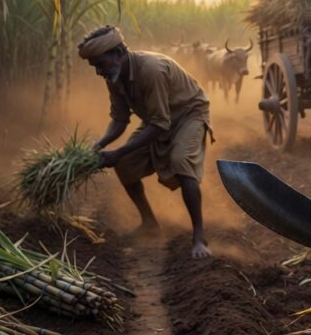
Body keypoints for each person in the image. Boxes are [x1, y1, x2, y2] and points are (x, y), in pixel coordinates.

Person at [78, 25, 213, 258]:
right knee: (126, 164)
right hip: (157, 118)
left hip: (188, 114)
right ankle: (149, 223)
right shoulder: (114, 77)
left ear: (118, 53)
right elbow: (120, 120)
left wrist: (117, 152)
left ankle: (199, 238)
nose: (98, 71)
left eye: (101, 64)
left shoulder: (152, 69)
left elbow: (160, 124)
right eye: (95, 67)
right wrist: (98, 146)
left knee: (181, 161)